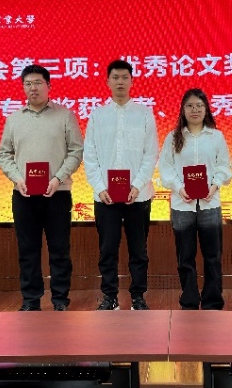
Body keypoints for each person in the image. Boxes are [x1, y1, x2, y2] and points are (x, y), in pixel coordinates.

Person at [0, 64, 84, 311]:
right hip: (23, 194)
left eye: (37, 82)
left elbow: (76, 151)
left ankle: (60, 299)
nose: (32, 88)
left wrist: (58, 178)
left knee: (59, 249)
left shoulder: (65, 115)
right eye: (28, 83)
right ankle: (31, 300)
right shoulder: (14, 119)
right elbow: (3, 154)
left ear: (48, 85)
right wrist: (17, 179)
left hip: (58, 193)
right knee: (28, 249)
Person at [83, 59, 159, 311]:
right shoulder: (98, 115)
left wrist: (137, 185)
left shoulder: (144, 113)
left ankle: (138, 296)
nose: (120, 82)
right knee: (107, 250)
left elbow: (151, 153)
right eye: (115, 77)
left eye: (125, 77)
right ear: (107, 81)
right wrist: (99, 187)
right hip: (105, 196)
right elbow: (90, 154)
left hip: (138, 195)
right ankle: (110, 297)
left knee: (139, 250)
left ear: (132, 81)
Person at [159, 89, 231, 310]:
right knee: (185, 257)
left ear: (206, 109)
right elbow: (165, 168)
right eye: (190, 106)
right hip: (183, 205)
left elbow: (223, 167)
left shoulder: (216, 136)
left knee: (213, 256)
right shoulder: (173, 138)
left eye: (199, 105)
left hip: (210, 203)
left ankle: (212, 301)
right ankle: (189, 300)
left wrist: (215, 185)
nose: (195, 110)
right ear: (183, 110)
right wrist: (179, 188)